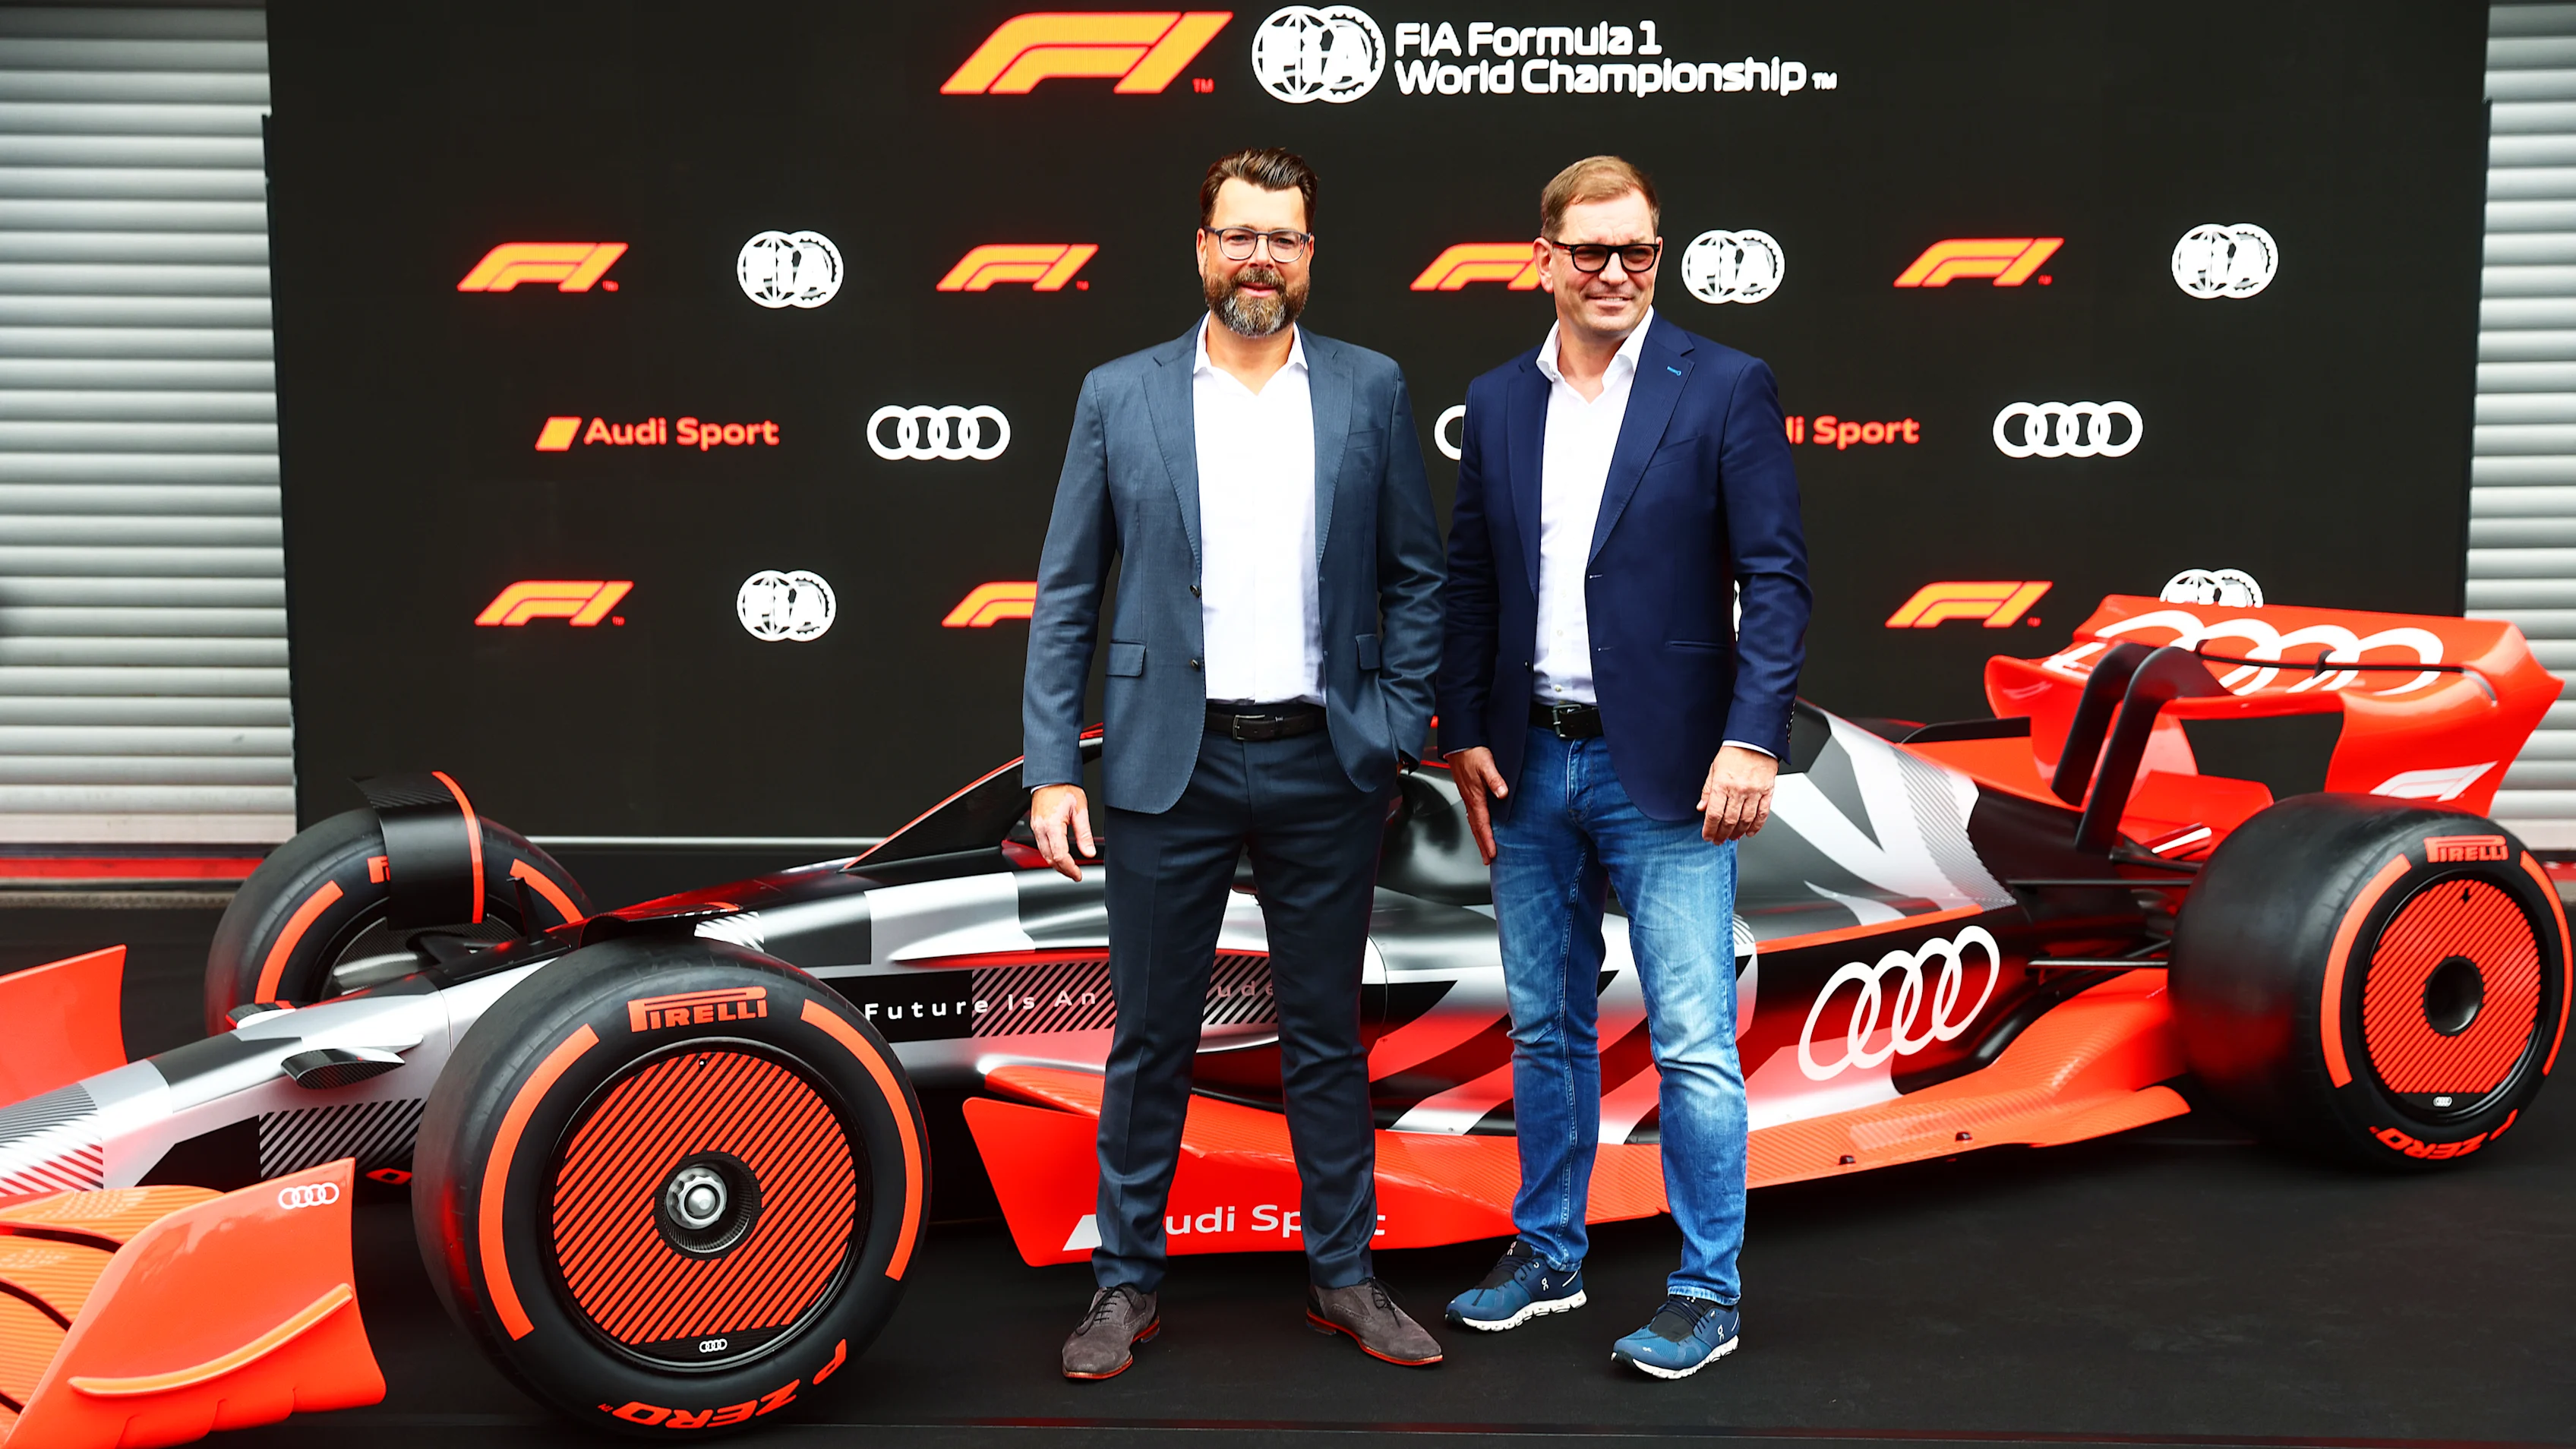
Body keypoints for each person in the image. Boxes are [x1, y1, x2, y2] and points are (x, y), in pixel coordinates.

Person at [1021, 147, 1449, 1380]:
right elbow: (1064, 595)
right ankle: (1124, 1285)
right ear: (1203, 248)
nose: (1262, 257)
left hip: (1328, 761)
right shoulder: (1121, 394)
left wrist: (1399, 714)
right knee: (1151, 1036)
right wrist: (1056, 767)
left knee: (1324, 1035)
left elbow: (1416, 572)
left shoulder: (1370, 390)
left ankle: (1345, 1277)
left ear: (1311, 257)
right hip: (1170, 767)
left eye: (1286, 238)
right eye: (1240, 234)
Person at [1432, 156, 1809, 1379]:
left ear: (1661, 253)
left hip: (1674, 771)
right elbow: (1473, 582)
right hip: (1531, 759)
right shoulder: (1496, 401)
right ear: (1541, 257)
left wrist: (1752, 739)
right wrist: (1464, 730)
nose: (1614, 273)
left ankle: (1710, 1290)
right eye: (1590, 251)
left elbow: (1779, 581)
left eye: (1637, 251)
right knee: (1544, 1029)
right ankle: (1548, 1253)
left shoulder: (1726, 386)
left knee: (1694, 1038)